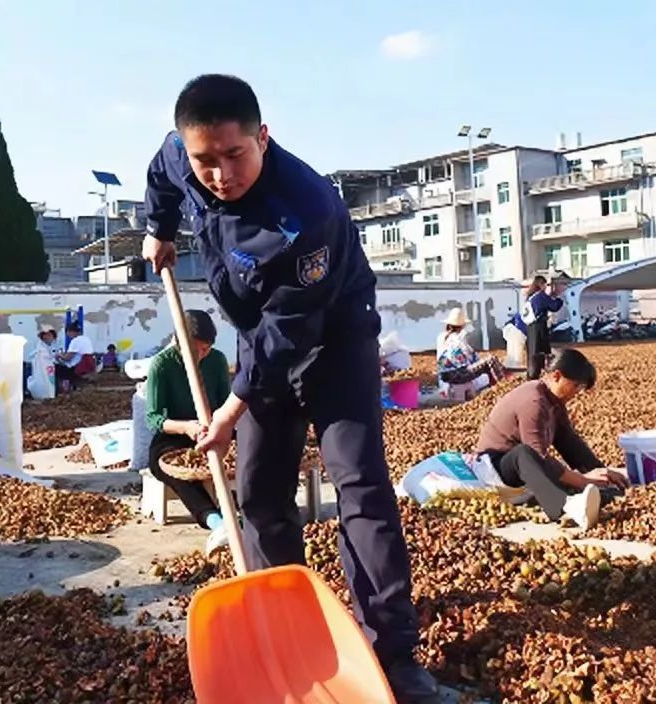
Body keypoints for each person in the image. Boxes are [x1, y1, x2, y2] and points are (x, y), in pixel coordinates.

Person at [142, 74, 439, 703]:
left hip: (333, 341)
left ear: (263, 137)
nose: (220, 174)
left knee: (358, 486)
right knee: (257, 490)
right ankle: (279, 625)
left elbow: (289, 331)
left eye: (235, 156)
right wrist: (159, 228)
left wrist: (229, 408)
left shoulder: (305, 210)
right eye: (205, 160)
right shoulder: (182, 156)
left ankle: (394, 653)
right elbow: (163, 177)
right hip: (259, 335)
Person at [476, 348, 629, 530]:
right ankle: (566, 506)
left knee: (565, 441)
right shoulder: (534, 401)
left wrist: (601, 472)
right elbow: (537, 456)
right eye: (576, 386)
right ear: (557, 376)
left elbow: (569, 441)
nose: (577, 393)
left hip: (526, 469)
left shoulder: (555, 401)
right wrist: (583, 480)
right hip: (494, 468)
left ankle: (590, 493)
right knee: (524, 453)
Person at [145, 310, 232, 556]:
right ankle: (216, 521)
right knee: (172, 467)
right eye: (197, 350)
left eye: (206, 349)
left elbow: (225, 404)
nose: (202, 355)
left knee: (241, 454)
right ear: (179, 342)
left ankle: (241, 512)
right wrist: (187, 427)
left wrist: (216, 425)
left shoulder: (216, 361)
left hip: (211, 429)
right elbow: (154, 418)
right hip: (174, 435)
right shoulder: (162, 365)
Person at [436, 308, 507, 400]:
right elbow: (471, 359)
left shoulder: (441, 337)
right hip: (459, 375)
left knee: (484, 365)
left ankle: (497, 388)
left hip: (445, 377)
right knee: (491, 360)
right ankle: (504, 386)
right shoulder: (461, 337)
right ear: (463, 325)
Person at [513, 275, 564, 380]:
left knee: (532, 351)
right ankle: (540, 374)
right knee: (542, 352)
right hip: (539, 328)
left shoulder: (530, 297)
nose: (546, 287)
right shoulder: (541, 296)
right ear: (541, 284)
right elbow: (554, 306)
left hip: (530, 328)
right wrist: (558, 297)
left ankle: (531, 374)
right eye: (545, 284)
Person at [55, 323, 95, 392]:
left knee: (55, 369)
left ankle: (61, 389)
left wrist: (59, 355)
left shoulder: (75, 341)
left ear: (70, 332)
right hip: (88, 365)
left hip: (76, 368)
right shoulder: (86, 339)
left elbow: (67, 358)